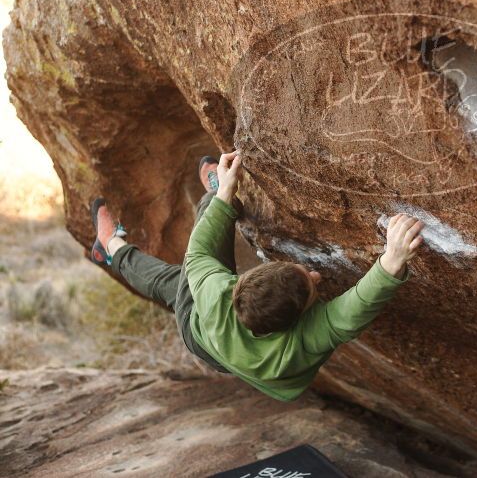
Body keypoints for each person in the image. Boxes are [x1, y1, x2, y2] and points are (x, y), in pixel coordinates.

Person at [89, 150, 424, 401]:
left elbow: (200, 251)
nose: (315, 274)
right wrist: (392, 260)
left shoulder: (215, 292)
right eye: (311, 283)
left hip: (206, 334)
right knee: (176, 281)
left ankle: (113, 248)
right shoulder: (300, 340)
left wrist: (223, 194)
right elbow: (353, 311)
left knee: (176, 281)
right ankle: (115, 246)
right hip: (213, 338)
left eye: (306, 277)